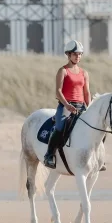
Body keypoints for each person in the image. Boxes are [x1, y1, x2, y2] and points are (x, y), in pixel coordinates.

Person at [43, 40, 99, 170]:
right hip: (66, 106)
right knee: (59, 127)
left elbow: (86, 92)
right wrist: (67, 105)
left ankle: (97, 157)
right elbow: (58, 92)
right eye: (75, 54)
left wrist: (89, 108)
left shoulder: (84, 73)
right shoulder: (63, 71)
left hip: (81, 106)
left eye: (79, 54)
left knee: (97, 127)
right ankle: (49, 155)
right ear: (68, 55)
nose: (77, 56)